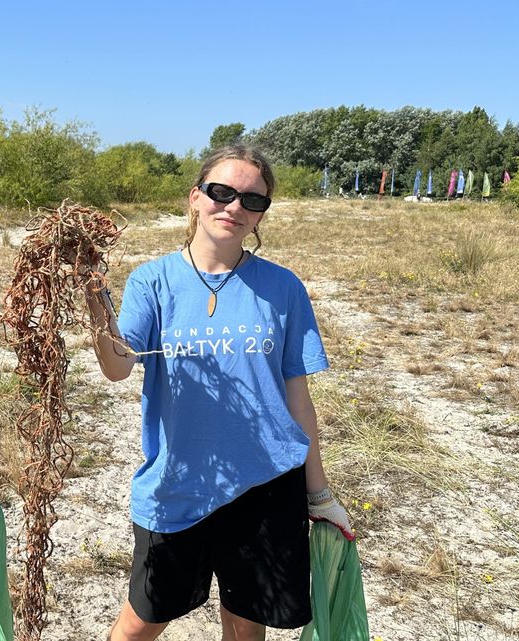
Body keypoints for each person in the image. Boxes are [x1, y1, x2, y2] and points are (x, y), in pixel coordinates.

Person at [84, 146, 353, 641]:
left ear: (261, 214)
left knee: (246, 627)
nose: (234, 207)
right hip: (178, 482)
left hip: (266, 484)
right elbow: (119, 367)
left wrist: (319, 493)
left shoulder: (283, 287)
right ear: (195, 198)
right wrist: (95, 299)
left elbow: (298, 398)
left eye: (252, 200)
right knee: (139, 623)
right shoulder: (154, 281)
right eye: (222, 193)